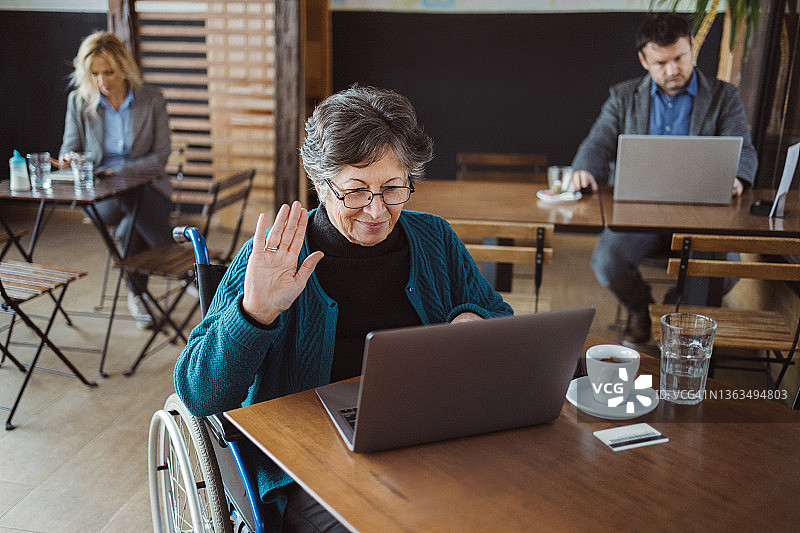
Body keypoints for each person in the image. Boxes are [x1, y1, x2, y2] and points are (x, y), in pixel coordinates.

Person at [174, 85, 513, 531]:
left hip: (424, 436)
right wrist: (255, 313)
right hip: (311, 465)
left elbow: (499, 320)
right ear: (320, 182)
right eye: (355, 191)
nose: (376, 211)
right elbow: (199, 394)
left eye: (393, 188)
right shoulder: (274, 256)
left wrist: (470, 319)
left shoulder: (434, 237)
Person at [568, 13, 758, 346]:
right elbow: (598, 142)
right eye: (661, 62)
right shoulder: (624, 97)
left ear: (693, 48)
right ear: (644, 60)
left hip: (703, 217)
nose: (672, 70)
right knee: (606, 261)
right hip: (639, 214)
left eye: (679, 58)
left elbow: (745, 150)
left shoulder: (724, 97)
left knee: (729, 270)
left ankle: (676, 316)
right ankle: (642, 310)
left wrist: (739, 177)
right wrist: (583, 167)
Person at [59, 31, 172, 329]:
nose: (102, 81)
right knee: (127, 201)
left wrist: (120, 173)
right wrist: (71, 160)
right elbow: (69, 149)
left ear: (123, 67)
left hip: (149, 189)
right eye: (94, 74)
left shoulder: (152, 99)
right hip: (101, 196)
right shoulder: (79, 102)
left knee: (127, 228)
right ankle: (181, 259)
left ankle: (137, 295)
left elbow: (159, 158)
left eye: (108, 72)